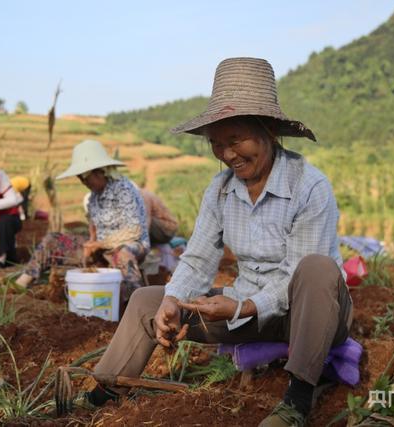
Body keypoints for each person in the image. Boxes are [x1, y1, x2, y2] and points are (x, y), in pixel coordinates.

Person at [80, 58, 352, 427]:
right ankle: (107, 390)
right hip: (246, 309)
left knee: (317, 269)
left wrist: (244, 308)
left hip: (310, 314)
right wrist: (174, 301)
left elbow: (296, 277)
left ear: (269, 130)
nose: (227, 155)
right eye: (217, 143)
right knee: (148, 299)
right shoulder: (221, 190)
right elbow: (197, 257)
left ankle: (298, 399)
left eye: (236, 140)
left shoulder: (308, 186)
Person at [14, 139, 149, 311]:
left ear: (100, 172)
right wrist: (90, 243)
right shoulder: (93, 196)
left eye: (85, 178)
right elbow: (93, 226)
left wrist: (98, 244)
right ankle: (23, 281)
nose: (83, 182)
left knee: (123, 254)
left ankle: (136, 307)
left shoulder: (124, 189)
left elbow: (134, 231)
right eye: (80, 178)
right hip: (101, 246)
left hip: (131, 245)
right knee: (53, 239)